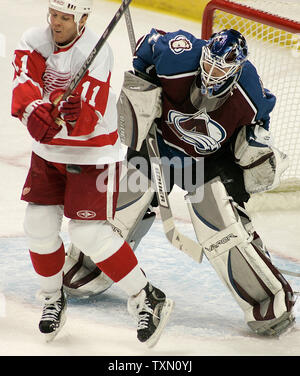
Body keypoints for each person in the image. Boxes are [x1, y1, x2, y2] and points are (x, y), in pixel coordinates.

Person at [68, 27, 296, 337]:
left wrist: (253, 149)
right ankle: (91, 266)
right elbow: (145, 48)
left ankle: (267, 300)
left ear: (236, 69)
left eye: (222, 68)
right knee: (123, 202)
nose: (213, 73)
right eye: (210, 63)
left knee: (220, 230)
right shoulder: (181, 52)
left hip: (205, 163)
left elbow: (257, 127)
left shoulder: (250, 93)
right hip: (158, 144)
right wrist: (144, 85)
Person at [11, 0, 174, 347]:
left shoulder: (96, 53)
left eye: (65, 17)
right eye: (53, 14)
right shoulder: (34, 39)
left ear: (83, 18)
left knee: (88, 233)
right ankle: (53, 299)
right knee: (37, 225)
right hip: (48, 155)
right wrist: (34, 110)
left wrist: (76, 113)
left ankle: (147, 298)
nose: (55, 22)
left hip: (93, 152)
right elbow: (23, 83)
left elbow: (90, 115)